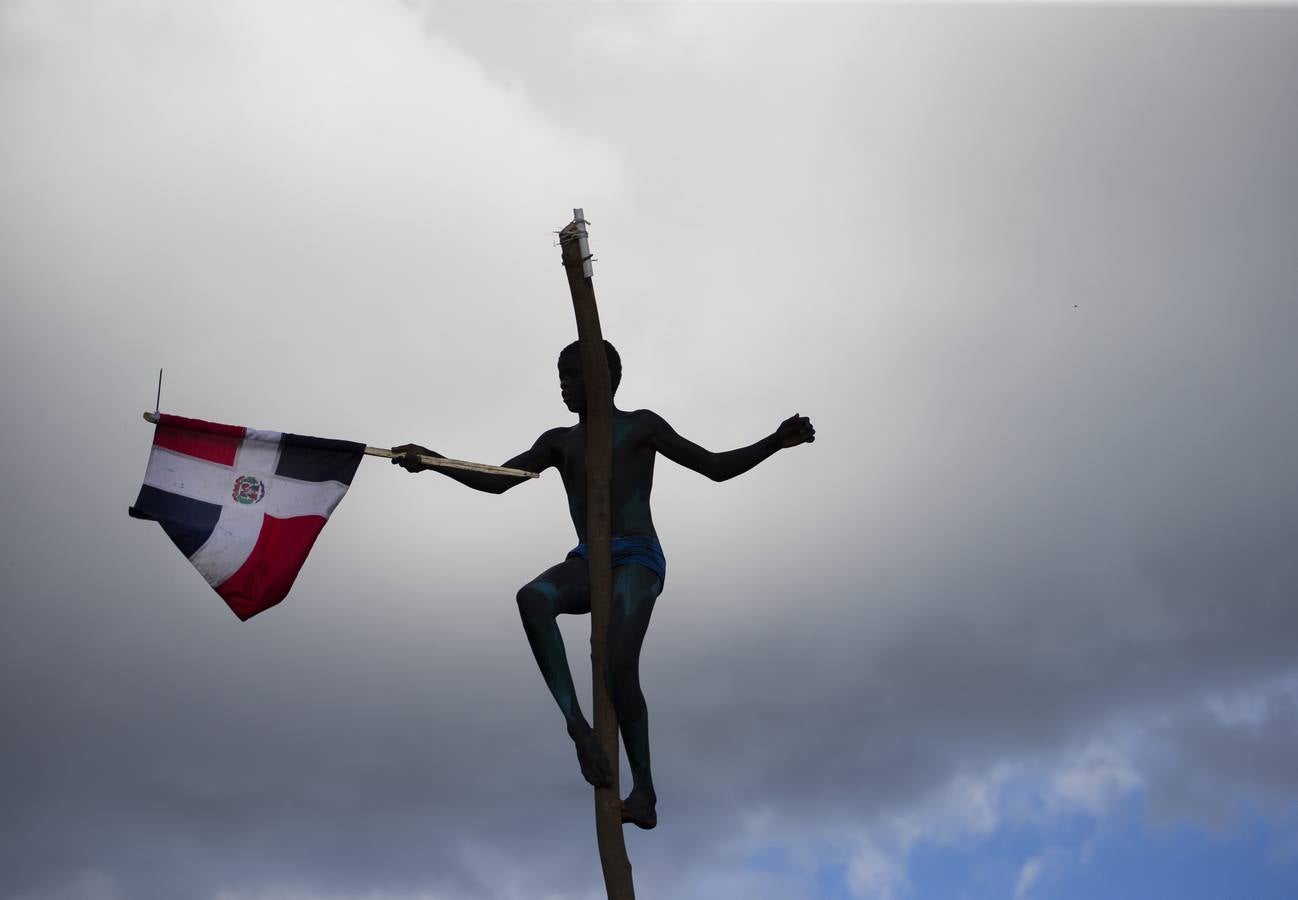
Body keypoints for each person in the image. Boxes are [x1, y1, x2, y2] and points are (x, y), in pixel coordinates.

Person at [392, 340, 815, 829]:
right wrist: (433, 460)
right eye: (560, 377)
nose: (562, 385)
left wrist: (774, 441)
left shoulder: (641, 426)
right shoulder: (559, 441)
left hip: (636, 556)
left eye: (571, 376)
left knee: (618, 665)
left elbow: (715, 468)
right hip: (588, 558)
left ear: (600, 377)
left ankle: (645, 793)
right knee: (532, 598)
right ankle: (577, 724)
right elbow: (498, 479)